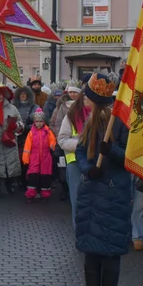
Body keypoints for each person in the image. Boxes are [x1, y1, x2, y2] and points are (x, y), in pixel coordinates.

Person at [74, 74, 130, 286]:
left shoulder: (119, 123)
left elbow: (132, 159)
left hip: (114, 193)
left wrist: (114, 152)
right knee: (92, 254)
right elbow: (79, 149)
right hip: (91, 193)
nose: (84, 99)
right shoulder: (88, 122)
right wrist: (87, 168)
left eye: (87, 96)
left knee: (111, 255)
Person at [58, 88, 92, 228]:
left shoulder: (100, 115)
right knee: (77, 199)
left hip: (94, 162)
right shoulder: (71, 115)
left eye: (89, 99)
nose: (87, 102)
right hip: (75, 162)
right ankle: (79, 230)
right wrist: (81, 145)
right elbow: (62, 140)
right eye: (84, 98)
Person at [21, 107, 57, 202]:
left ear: (43, 121)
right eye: (37, 121)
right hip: (34, 157)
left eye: (40, 121)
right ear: (34, 122)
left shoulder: (47, 131)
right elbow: (27, 147)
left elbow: (53, 141)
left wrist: (51, 148)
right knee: (33, 176)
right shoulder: (31, 133)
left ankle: (45, 195)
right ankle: (31, 194)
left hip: (46, 156)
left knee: (45, 176)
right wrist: (26, 159)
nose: (39, 123)